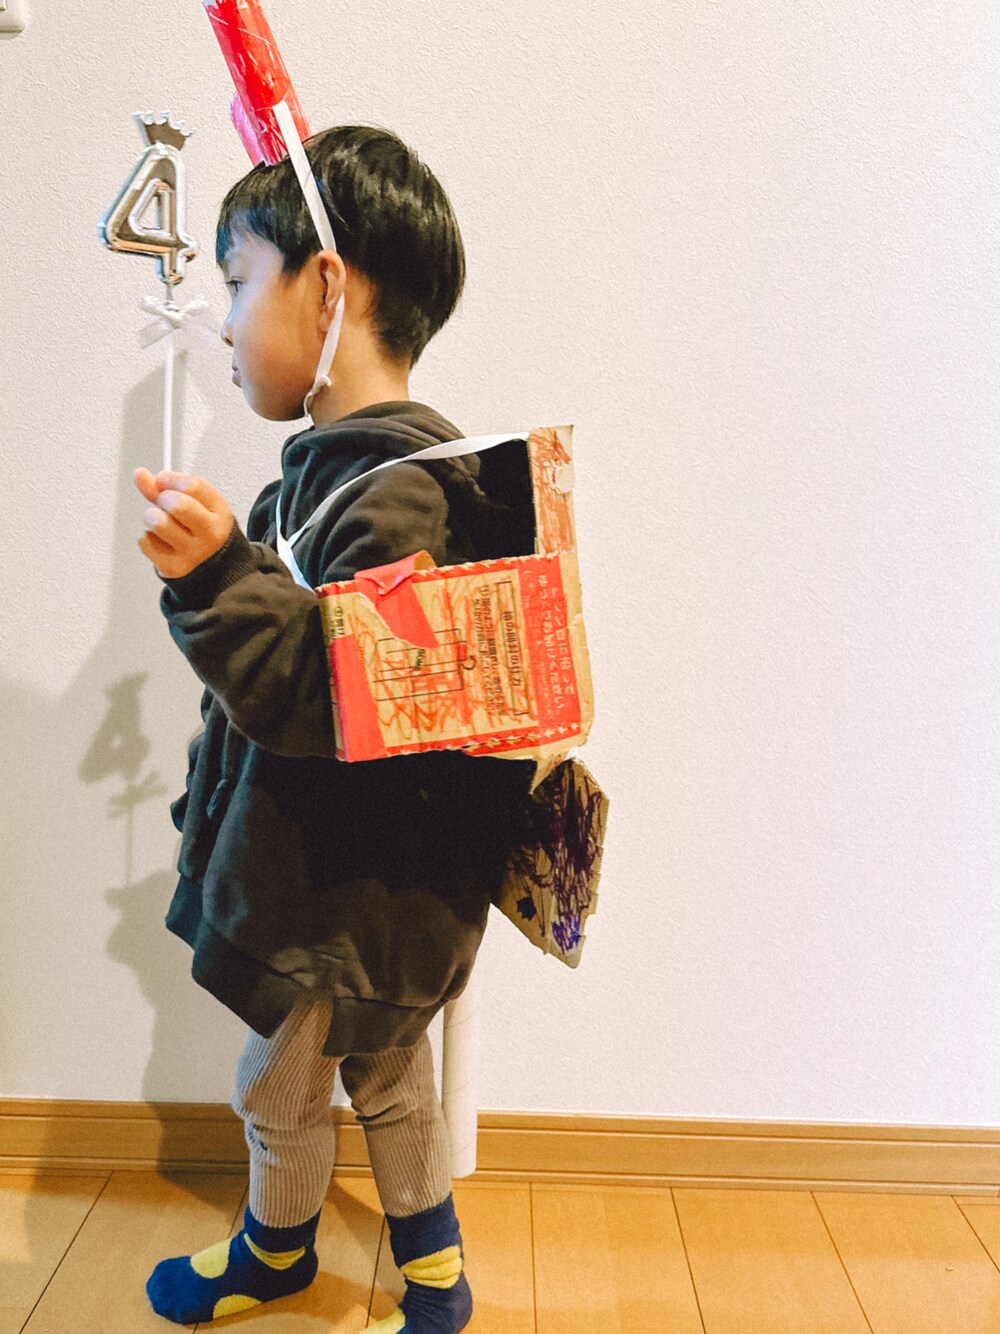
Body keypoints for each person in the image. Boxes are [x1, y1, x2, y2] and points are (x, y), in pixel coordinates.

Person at [134, 124, 537, 1331]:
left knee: (279, 1086)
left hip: (342, 905)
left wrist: (219, 579)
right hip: (362, 898)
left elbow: (339, 698)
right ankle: (433, 1270)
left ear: (324, 288)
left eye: (237, 281)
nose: (222, 322)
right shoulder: (328, 475)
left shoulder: (399, 496)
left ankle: (276, 1249)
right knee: (390, 1069)